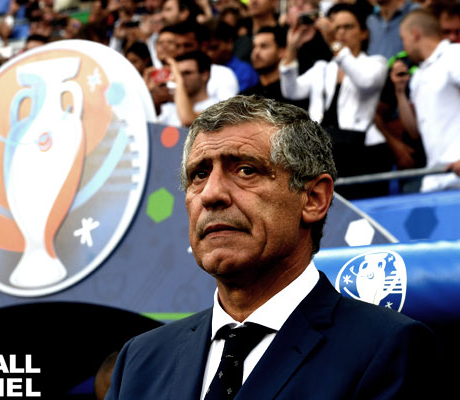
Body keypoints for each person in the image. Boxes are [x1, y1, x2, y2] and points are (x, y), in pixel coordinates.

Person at [105, 95, 440, 399]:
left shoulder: (387, 348)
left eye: (245, 170)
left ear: (314, 198)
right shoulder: (139, 360)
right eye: (199, 175)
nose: (211, 194)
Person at [280, 3, 390, 195]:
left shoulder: (376, 63)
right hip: (326, 151)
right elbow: (291, 91)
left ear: (364, 33)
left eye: (348, 27)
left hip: (364, 152)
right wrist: (291, 47)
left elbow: (365, 81)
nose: (340, 33)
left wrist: (334, 44)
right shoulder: (322, 68)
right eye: (336, 28)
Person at [391, 9, 460, 191]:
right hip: (436, 177)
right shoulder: (419, 75)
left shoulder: (453, 55)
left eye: (403, 39)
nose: (403, 47)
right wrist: (400, 92)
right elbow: (414, 131)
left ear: (415, 34)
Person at [156, 51, 219, 127]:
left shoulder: (218, 107)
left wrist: (179, 81)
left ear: (205, 75)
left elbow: (188, 121)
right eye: (178, 73)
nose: (181, 78)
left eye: (187, 73)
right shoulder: (168, 107)